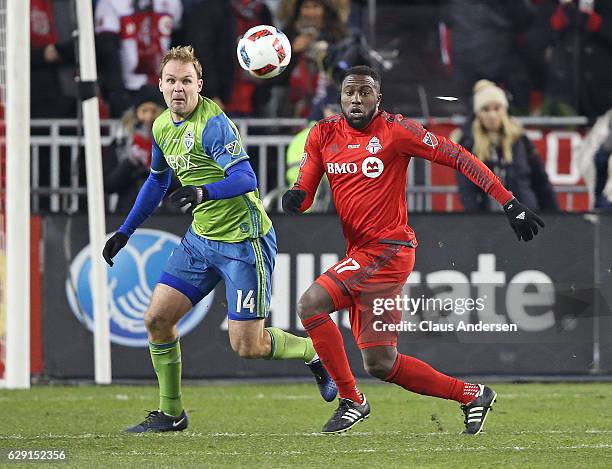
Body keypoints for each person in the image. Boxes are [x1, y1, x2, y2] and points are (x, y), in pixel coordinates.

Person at [282, 65, 544, 435]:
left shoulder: (396, 131)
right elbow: (305, 192)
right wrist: (295, 198)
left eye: (365, 92)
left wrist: (508, 201)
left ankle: (351, 400)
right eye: (349, 92)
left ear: (378, 98)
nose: (356, 99)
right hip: (362, 251)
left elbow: (457, 155)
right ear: (339, 97)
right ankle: (472, 394)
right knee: (381, 363)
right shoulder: (322, 134)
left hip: (389, 250)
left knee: (311, 305)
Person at [102, 46, 337, 433]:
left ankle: (313, 351)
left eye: (187, 81)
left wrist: (202, 193)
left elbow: (247, 179)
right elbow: (157, 180)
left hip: (244, 241)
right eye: (172, 81)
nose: (179, 89)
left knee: (249, 345)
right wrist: (125, 231)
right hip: (201, 239)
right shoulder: (162, 126)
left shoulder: (213, 124)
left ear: (200, 85)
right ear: (160, 85)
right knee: (157, 319)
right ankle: (171, 413)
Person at [454, 80, 559, 212]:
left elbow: (540, 180)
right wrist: (476, 221)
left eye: (497, 108)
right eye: (485, 109)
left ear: (504, 110)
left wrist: (556, 213)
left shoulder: (519, 139)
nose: (492, 115)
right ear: (478, 114)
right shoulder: (468, 144)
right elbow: (466, 190)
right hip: (487, 219)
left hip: (525, 214)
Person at [103, 86, 167, 213]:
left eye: (153, 111)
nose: (149, 117)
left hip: (165, 213)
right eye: (144, 111)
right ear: (136, 113)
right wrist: (131, 162)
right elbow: (109, 184)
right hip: (127, 209)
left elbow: (183, 184)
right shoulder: (120, 141)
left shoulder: (175, 141)